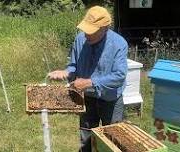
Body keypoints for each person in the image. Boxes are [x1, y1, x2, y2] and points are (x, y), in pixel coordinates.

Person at [48, 6, 128, 152]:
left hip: (110, 99)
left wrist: (90, 82)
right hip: (87, 98)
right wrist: (66, 72)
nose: (87, 35)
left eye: (92, 31)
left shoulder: (119, 44)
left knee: (113, 140)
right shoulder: (80, 39)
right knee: (86, 138)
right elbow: (73, 65)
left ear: (105, 28)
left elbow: (119, 75)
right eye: (86, 29)